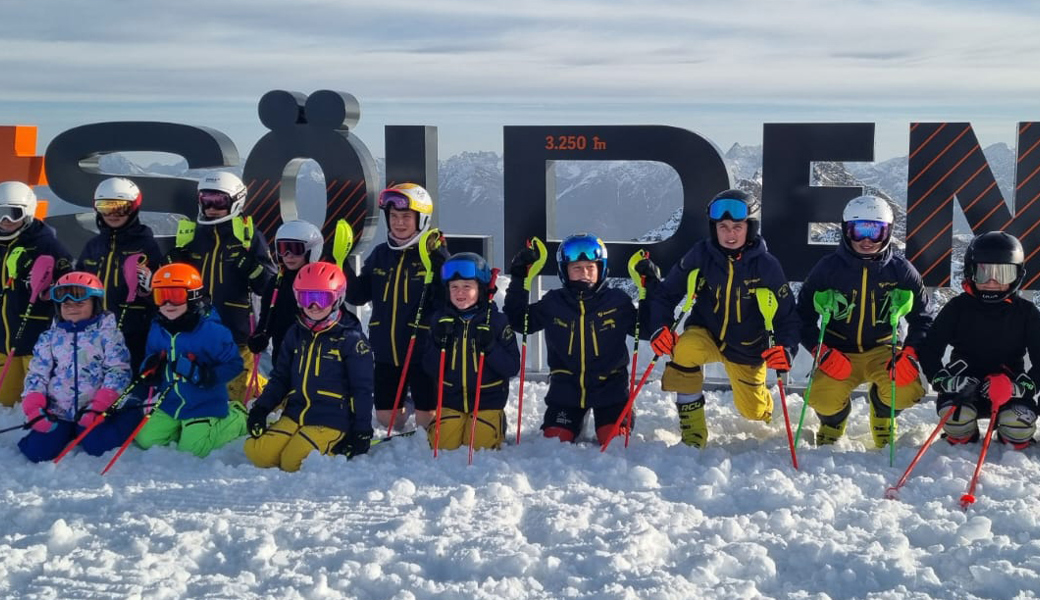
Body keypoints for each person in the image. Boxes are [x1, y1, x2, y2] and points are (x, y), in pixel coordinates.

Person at [648, 189, 799, 448]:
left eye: (737, 227)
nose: (730, 234)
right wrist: (659, 328)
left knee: (752, 412)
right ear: (714, 228)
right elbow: (666, 293)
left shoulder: (767, 266)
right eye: (723, 226)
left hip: (749, 348)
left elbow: (788, 317)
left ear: (750, 228)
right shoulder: (701, 255)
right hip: (707, 333)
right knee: (684, 349)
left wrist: (787, 350)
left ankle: (764, 404)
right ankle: (693, 433)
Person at [796, 195, 932, 447]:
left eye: (876, 232)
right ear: (847, 232)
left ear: (888, 232)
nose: (867, 241)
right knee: (820, 397)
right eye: (858, 232)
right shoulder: (827, 269)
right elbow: (802, 317)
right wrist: (820, 350)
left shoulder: (901, 271)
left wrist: (910, 353)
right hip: (838, 352)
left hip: (884, 349)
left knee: (907, 391)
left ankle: (882, 413)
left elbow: (923, 319)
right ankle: (833, 420)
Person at [505, 233, 652, 446]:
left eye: (590, 267)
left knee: (614, 442)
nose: (584, 273)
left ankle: (622, 412)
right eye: (576, 268)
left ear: (601, 269)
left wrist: (650, 286)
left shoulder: (617, 302)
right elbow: (519, 321)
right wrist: (519, 278)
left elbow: (646, 329)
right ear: (565, 271)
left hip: (611, 391)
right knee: (555, 441)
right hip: (566, 392)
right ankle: (575, 421)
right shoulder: (554, 302)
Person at [245, 262, 374, 471]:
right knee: (257, 453)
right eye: (306, 298)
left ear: (337, 298)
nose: (313, 306)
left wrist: (361, 429)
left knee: (292, 462)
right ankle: (298, 441)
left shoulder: (351, 339)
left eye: (322, 298)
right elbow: (281, 378)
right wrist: (261, 408)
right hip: (296, 413)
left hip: (332, 418)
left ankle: (338, 446)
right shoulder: (295, 333)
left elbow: (362, 389)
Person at [918, 231, 1040, 449]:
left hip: (1007, 387)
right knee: (956, 420)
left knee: (1017, 426)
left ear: (1017, 275)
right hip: (964, 385)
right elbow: (930, 347)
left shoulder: (1026, 313)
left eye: (1002, 274)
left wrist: (1023, 387)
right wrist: (942, 379)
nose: (992, 282)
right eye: (983, 273)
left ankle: (1010, 439)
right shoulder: (958, 307)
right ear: (970, 272)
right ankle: (964, 436)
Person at [344, 183, 448, 432]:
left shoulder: (435, 258)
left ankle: (424, 402)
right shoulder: (381, 254)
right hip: (386, 351)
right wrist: (342, 261)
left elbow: (447, 304)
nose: (399, 223)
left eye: (406, 217)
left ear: (421, 220)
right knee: (387, 420)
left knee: (426, 423)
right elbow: (358, 295)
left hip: (422, 353)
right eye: (393, 217)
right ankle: (407, 401)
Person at [166, 172, 276, 402]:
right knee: (201, 392)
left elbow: (268, 286)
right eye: (206, 200)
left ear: (236, 201)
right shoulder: (193, 237)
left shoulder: (247, 237)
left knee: (236, 397)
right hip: (199, 330)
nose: (211, 208)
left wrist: (251, 267)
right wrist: (174, 265)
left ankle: (267, 392)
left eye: (219, 201)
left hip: (237, 333)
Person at [17, 272, 135, 462]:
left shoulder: (108, 335)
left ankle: (131, 412)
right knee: (37, 452)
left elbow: (118, 371)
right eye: (66, 304)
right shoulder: (50, 338)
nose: (72, 308)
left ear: (95, 304)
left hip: (94, 408)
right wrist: (34, 408)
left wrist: (100, 406)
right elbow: (37, 374)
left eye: (80, 303)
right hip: (59, 411)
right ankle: (61, 432)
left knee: (98, 446)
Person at [134, 263, 248, 458]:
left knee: (194, 450)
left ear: (193, 296)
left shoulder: (212, 331)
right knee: (145, 439)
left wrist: (204, 375)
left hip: (203, 404)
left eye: (176, 296)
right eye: (161, 297)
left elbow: (235, 364)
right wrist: (151, 368)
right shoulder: (157, 328)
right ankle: (182, 427)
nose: (168, 304)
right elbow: (150, 356)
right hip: (170, 403)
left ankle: (238, 417)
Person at [424, 252, 519, 451]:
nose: (460, 293)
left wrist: (491, 347)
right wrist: (439, 343)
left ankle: (496, 423)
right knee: (442, 445)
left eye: (467, 286)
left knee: (478, 445)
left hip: (487, 400)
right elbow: (430, 368)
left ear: (481, 289)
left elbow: (511, 367)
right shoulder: (440, 321)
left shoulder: (497, 322)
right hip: (452, 400)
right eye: (454, 287)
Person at [78, 177, 163, 371]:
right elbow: (77, 284)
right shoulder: (93, 246)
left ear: (133, 208)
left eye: (121, 208)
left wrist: (150, 289)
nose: (113, 214)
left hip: (133, 334)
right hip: (93, 333)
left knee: (128, 387)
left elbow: (162, 297)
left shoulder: (145, 245)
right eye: (105, 207)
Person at [0, 181, 73, 406]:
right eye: (0, 214)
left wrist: (52, 291)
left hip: (35, 339)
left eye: (12, 214)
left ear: (28, 212)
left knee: (35, 400)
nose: (5, 221)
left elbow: (69, 284)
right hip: (3, 338)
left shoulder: (46, 245)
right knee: (6, 401)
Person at [247, 220, 324, 370]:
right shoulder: (277, 283)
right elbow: (267, 317)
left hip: (315, 362)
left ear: (311, 250)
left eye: (295, 249)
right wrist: (259, 336)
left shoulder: (321, 282)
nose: (288, 255)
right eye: (282, 249)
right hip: (283, 360)